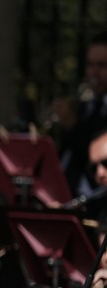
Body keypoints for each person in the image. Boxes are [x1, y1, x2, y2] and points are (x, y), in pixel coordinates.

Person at [55, 32, 107, 196]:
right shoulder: (84, 107)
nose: (94, 72)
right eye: (90, 65)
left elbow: (97, 154)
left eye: (102, 65)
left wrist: (73, 125)